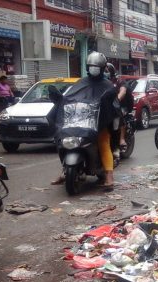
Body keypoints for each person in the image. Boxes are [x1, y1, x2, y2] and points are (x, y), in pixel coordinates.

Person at [51, 51, 117, 188]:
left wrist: (105, 104)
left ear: (103, 68)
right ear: (87, 67)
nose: (94, 69)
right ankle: (64, 171)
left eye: (97, 67)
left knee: (104, 143)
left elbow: (114, 104)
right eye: (92, 66)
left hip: (99, 123)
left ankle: (109, 176)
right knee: (60, 141)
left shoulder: (108, 85)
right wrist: (59, 99)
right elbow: (68, 98)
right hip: (78, 121)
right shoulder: (80, 83)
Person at [105, 63, 135, 158]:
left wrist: (116, 100)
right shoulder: (101, 81)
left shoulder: (119, 81)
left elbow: (123, 91)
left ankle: (121, 139)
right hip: (109, 105)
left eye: (106, 71)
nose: (104, 73)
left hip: (123, 105)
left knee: (118, 113)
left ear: (111, 72)